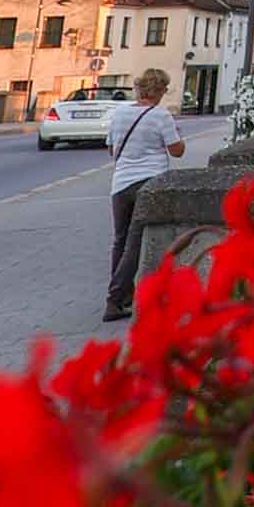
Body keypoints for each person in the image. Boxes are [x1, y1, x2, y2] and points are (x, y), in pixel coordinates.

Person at [102, 67, 185, 321]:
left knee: (120, 241)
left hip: (120, 185)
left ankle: (124, 296)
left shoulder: (119, 114)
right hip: (148, 184)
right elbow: (177, 151)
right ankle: (114, 300)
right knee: (135, 244)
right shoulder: (161, 116)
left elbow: (111, 149)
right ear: (159, 91)